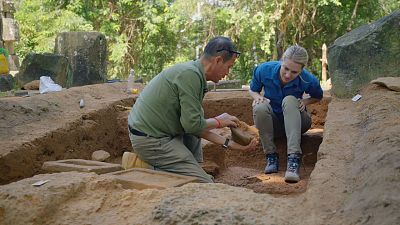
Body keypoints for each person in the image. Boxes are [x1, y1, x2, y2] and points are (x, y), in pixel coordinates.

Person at [127, 36, 258, 183]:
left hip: (162, 133)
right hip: (151, 140)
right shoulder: (190, 75)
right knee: (203, 184)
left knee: (194, 136)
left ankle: (187, 167)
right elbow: (192, 125)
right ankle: (145, 166)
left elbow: (196, 129)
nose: (227, 73)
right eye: (229, 66)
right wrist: (219, 121)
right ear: (218, 60)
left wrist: (232, 145)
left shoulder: (195, 74)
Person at [249, 45, 323, 183]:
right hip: (274, 124)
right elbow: (252, 90)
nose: (288, 75)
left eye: (294, 72)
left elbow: (318, 96)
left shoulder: (308, 79)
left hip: (298, 121)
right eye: (286, 68)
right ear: (282, 61)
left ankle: (293, 160)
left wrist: (304, 101)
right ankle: (271, 155)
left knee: (289, 100)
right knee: (260, 107)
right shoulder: (264, 70)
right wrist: (257, 97)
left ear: (302, 70)